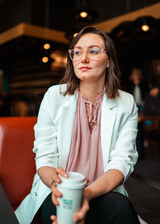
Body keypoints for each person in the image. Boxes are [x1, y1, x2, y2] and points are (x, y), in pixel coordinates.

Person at [15, 26, 140, 224]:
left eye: (93, 51)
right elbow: (45, 158)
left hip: (103, 191)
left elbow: (122, 162)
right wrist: (59, 187)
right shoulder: (54, 96)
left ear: (109, 61)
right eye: (78, 52)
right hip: (57, 191)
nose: (84, 58)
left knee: (120, 207)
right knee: (65, 211)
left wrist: (87, 194)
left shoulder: (126, 103)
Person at [126, 68, 149, 159]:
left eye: (137, 74)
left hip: (142, 107)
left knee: (141, 129)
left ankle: (141, 151)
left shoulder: (143, 84)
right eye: (134, 74)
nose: (136, 76)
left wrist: (138, 84)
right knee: (133, 129)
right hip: (132, 107)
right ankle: (132, 152)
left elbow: (147, 93)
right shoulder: (130, 85)